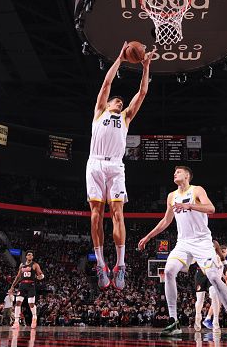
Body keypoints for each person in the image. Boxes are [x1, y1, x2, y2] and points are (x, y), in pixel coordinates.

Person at [138, 166, 227, 338]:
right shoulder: (171, 196)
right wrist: (148, 236)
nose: (174, 173)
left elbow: (211, 209)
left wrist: (189, 205)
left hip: (202, 242)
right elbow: (166, 220)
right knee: (169, 271)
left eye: (178, 172)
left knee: (215, 278)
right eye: (174, 172)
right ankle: (173, 321)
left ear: (187, 176)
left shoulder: (197, 190)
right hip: (183, 243)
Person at [87, 42, 155, 290]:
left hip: (116, 167)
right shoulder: (99, 112)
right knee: (95, 216)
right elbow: (106, 84)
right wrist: (119, 58)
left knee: (117, 214)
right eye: (115, 100)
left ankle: (121, 265)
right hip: (95, 164)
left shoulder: (126, 117)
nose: (117, 102)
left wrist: (145, 66)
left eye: (119, 101)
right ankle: (101, 265)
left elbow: (143, 93)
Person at [193, 241, 225, 332]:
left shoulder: (218, 256)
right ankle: (198, 317)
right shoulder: (200, 251)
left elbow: (221, 267)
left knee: (214, 295)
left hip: (212, 274)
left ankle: (215, 322)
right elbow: (192, 261)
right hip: (201, 274)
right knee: (200, 300)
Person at [9, 251, 44, 329]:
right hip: (22, 285)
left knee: (30, 303)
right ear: (26, 256)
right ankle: (16, 322)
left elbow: (41, 274)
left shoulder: (35, 265)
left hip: (31, 285)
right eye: (29, 255)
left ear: (32, 257)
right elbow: (18, 277)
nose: (30, 256)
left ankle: (34, 318)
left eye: (31, 255)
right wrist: (12, 286)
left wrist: (41, 276)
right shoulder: (22, 265)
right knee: (18, 302)